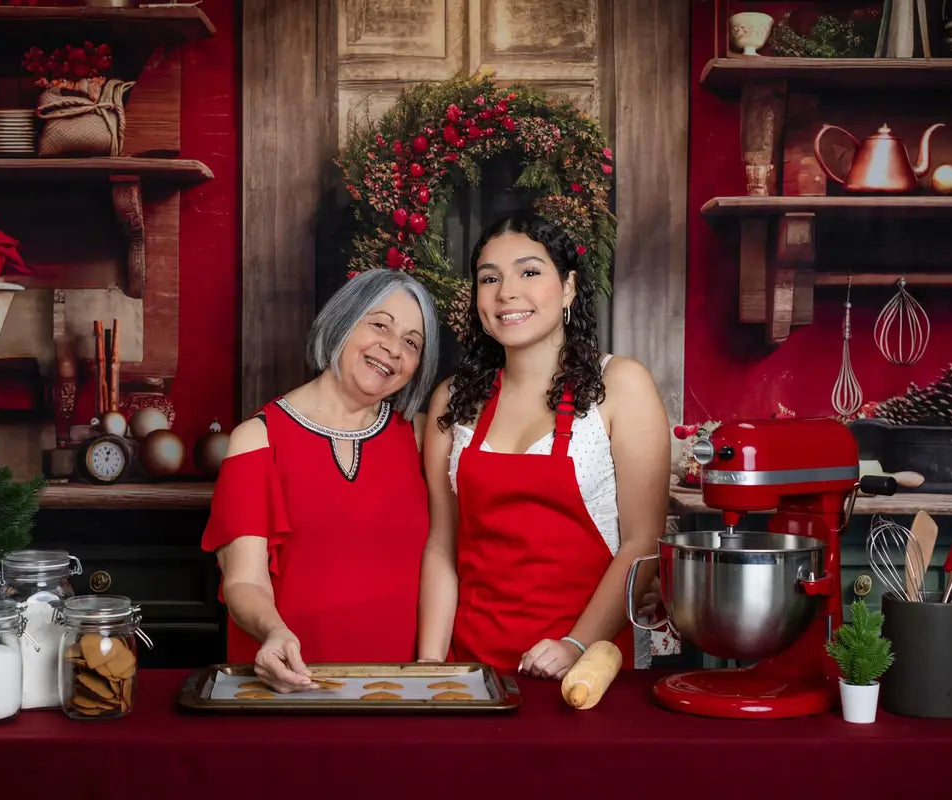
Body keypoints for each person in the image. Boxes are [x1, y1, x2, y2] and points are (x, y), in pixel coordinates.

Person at [417, 212, 670, 678]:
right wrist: (430, 667)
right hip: (471, 668)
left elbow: (643, 544)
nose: (507, 292)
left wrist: (576, 644)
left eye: (529, 272)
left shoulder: (621, 386)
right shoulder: (453, 400)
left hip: (590, 664)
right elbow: (442, 547)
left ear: (569, 287)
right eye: (489, 278)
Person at [202, 269, 439, 692]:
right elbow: (244, 580)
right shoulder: (257, 439)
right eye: (380, 324)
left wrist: (430, 670)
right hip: (289, 689)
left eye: (412, 342)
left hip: (398, 693)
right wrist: (273, 631)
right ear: (343, 321)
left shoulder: (422, 439)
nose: (392, 348)